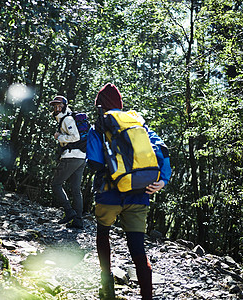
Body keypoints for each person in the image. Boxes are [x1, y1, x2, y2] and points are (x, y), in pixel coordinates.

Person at [86, 83, 171, 300]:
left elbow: (95, 162)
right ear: (120, 104)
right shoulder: (138, 123)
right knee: (137, 248)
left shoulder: (99, 126)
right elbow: (162, 150)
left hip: (109, 194)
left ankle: (107, 285)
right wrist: (163, 180)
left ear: (100, 105)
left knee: (103, 233)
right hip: (140, 194)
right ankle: (146, 296)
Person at [49, 95, 86, 229]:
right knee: (76, 189)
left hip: (72, 157)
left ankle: (69, 211)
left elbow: (75, 137)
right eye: (55, 106)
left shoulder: (68, 119)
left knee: (56, 184)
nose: (56, 108)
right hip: (81, 158)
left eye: (59, 105)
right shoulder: (65, 118)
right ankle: (78, 221)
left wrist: (60, 137)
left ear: (64, 105)